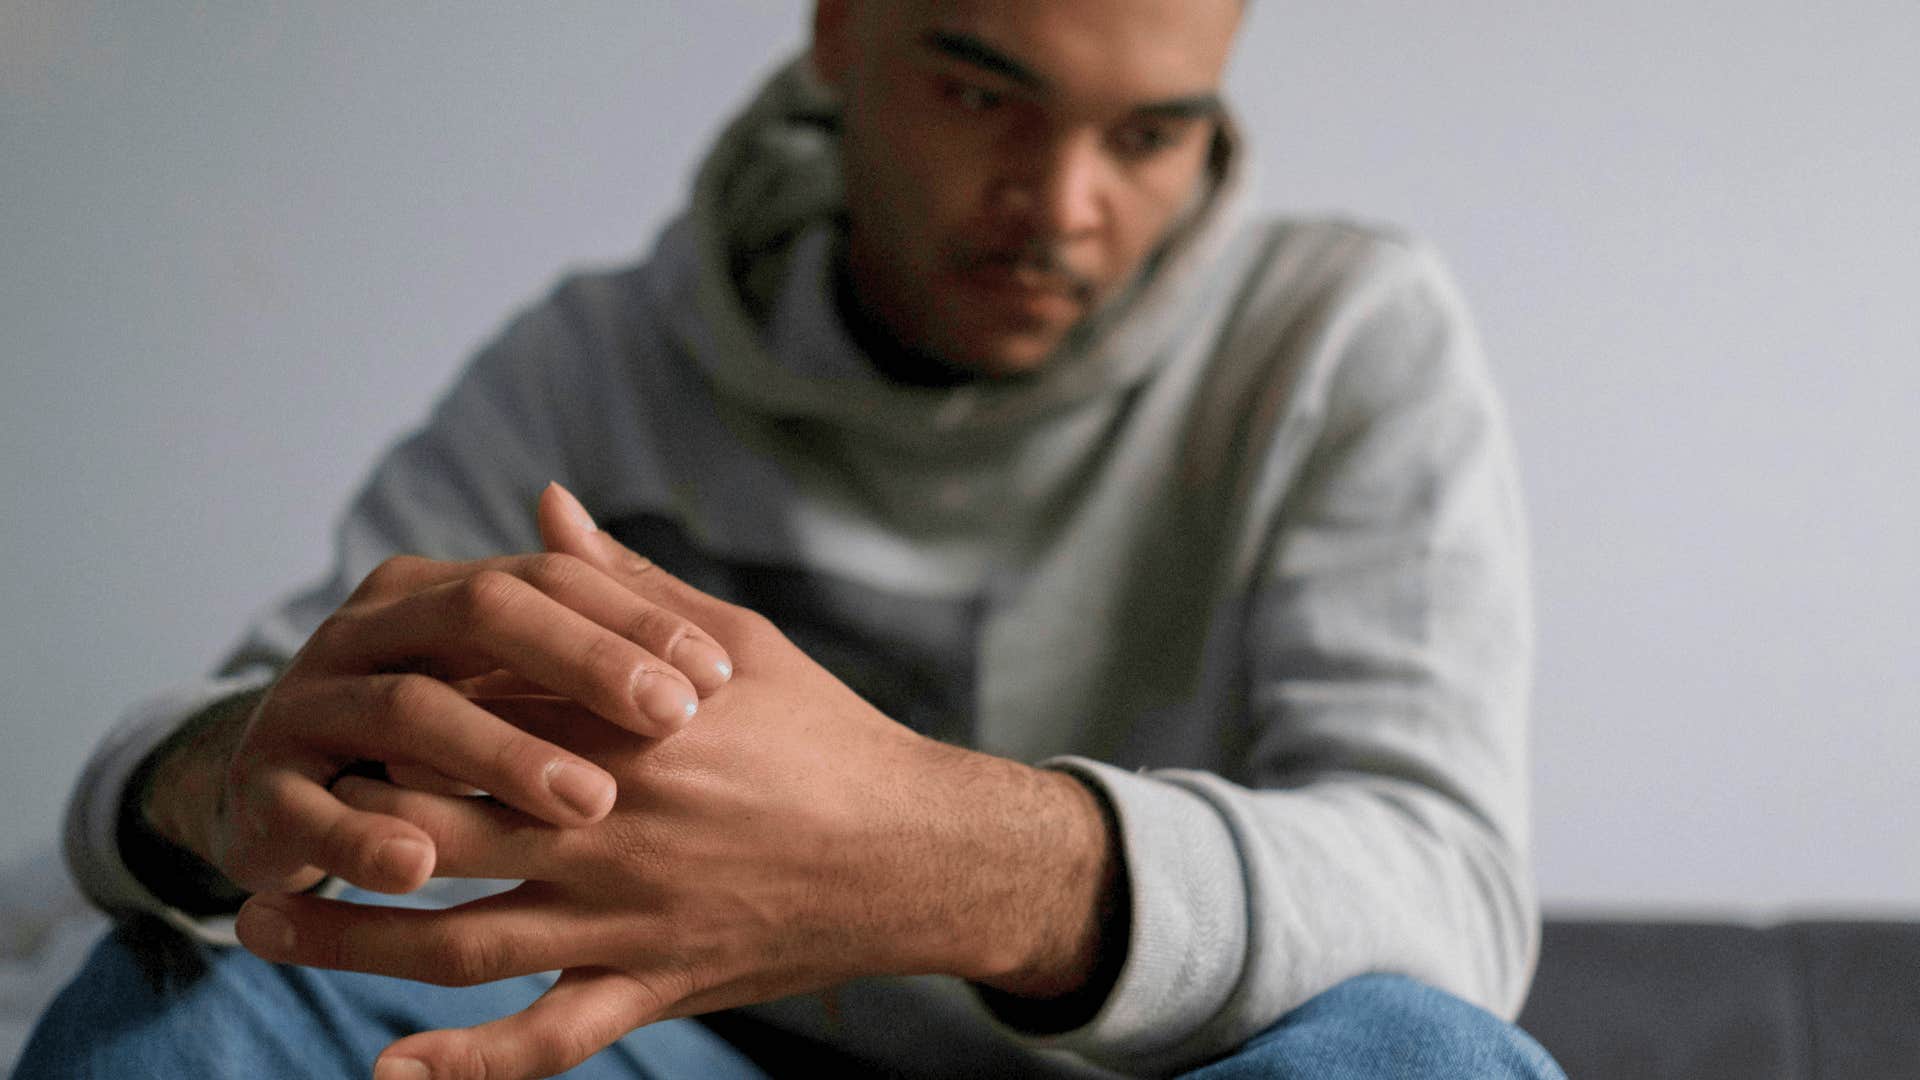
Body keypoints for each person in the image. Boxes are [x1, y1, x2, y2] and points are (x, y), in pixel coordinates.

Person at [17, 1, 1565, 1077]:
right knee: (194, 988)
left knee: (1427, 1055)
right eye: (980, 95)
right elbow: (190, 776)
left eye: (1153, 134)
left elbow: (1453, 899)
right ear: (840, 28)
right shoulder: (602, 362)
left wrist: (937, 859)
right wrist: (225, 781)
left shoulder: (1341, 337)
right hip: (662, 1061)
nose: (1062, 208)